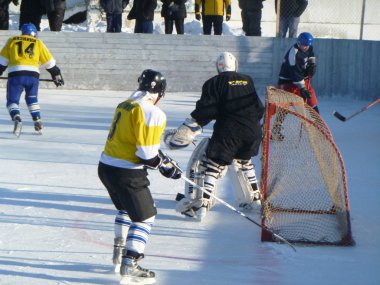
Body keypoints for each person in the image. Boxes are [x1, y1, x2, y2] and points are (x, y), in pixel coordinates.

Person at [97, 69, 181, 283]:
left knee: (126, 208)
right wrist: (165, 166)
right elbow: (146, 155)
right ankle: (130, 263)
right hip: (126, 172)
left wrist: (160, 158)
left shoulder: (126, 104)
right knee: (145, 216)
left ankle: (119, 251)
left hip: (106, 166)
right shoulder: (153, 112)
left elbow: (136, 142)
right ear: (160, 92)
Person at [168, 52, 265, 220]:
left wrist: (192, 126)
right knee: (244, 162)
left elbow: (206, 110)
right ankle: (255, 200)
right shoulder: (247, 80)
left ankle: (202, 206)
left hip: (228, 132)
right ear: (235, 65)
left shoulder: (213, 82)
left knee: (211, 165)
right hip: (253, 132)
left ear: (218, 67)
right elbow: (259, 108)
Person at [0, 23, 64, 137]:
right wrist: (56, 73)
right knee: (32, 99)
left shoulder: (12, 41)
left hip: (16, 74)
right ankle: (37, 120)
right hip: (33, 75)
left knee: (12, 101)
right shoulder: (37, 42)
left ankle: (17, 117)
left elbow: (2, 61)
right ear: (34, 33)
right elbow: (49, 62)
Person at [272, 32, 317, 140]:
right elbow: (295, 74)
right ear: (298, 42)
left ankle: (318, 127)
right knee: (284, 108)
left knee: (312, 101)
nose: (305, 47)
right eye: (303, 45)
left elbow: (311, 54)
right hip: (287, 83)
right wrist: (302, 88)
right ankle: (275, 130)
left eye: (307, 45)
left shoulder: (308, 47)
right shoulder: (294, 54)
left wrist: (312, 64)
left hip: (302, 81)